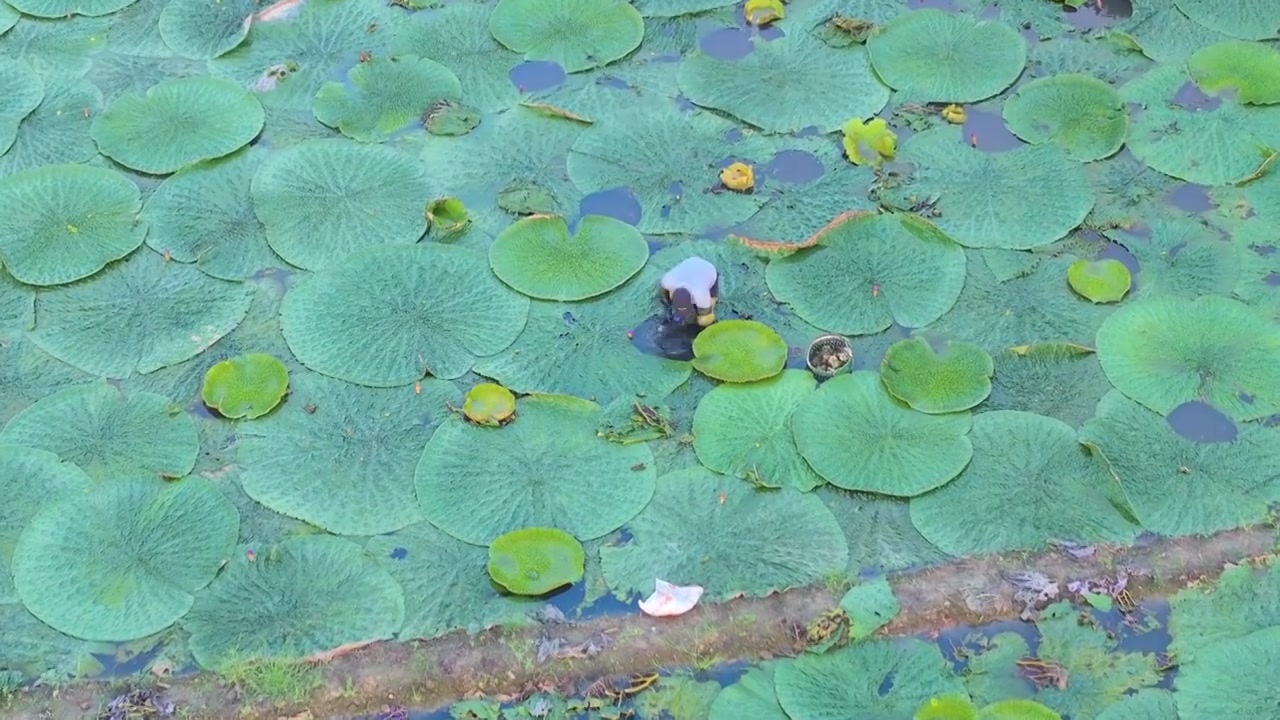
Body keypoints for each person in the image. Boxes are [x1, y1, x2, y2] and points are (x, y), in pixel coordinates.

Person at [659, 256, 719, 328]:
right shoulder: (667, 281)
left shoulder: (700, 295)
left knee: (703, 320)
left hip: (707, 270)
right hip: (690, 263)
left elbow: (708, 317)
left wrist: (704, 317)